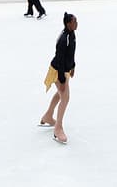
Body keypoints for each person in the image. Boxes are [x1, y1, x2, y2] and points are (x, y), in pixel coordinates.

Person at [39, 13, 77, 145]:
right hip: (57, 70)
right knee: (65, 97)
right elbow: (60, 58)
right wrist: (61, 78)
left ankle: (48, 116)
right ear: (68, 24)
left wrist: (73, 66)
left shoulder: (71, 34)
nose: (76, 24)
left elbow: (71, 53)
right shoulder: (64, 39)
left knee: (61, 95)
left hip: (64, 69)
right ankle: (58, 128)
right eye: (74, 22)